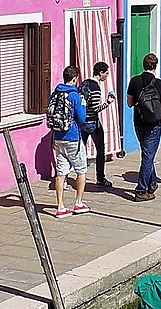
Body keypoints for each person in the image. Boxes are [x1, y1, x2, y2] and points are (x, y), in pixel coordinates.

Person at [45, 65, 90, 217]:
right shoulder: (74, 95)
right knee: (81, 170)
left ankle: (60, 207)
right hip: (73, 137)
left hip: (58, 137)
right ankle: (78, 203)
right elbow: (82, 118)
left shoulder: (55, 94)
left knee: (60, 173)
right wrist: (83, 104)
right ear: (75, 78)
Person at [124, 53, 161, 200]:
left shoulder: (134, 81)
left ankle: (152, 183)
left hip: (139, 122)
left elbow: (129, 104)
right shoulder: (158, 83)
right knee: (148, 157)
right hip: (154, 124)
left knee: (147, 154)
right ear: (155, 66)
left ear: (143, 65)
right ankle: (141, 190)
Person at [80, 61, 113, 192]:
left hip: (82, 122)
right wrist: (108, 102)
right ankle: (100, 178)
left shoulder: (83, 84)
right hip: (93, 123)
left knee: (78, 150)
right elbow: (95, 108)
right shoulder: (95, 88)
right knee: (100, 150)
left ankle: (69, 177)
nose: (107, 76)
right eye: (106, 73)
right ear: (101, 73)